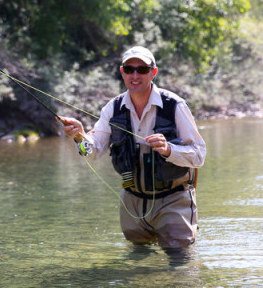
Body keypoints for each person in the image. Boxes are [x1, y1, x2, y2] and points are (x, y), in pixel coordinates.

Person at [59, 46, 206, 248]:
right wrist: (78, 136)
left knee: (179, 262)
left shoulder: (175, 106)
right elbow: (91, 153)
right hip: (131, 204)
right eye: (129, 69)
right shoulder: (112, 108)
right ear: (122, 72)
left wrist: (168, 150)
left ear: (153, 72)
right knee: (136, 263)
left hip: (173, 200)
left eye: (142, 69)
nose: (135, 75)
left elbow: (199, 156)